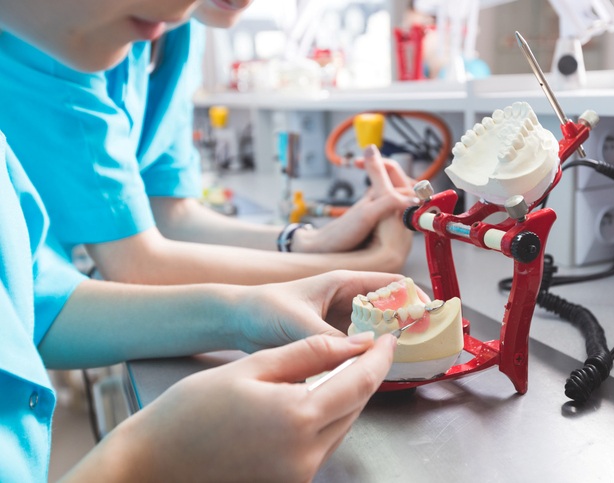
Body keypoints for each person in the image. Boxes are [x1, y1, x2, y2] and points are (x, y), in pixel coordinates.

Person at [0, 1, 402, 480]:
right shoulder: (60, 48)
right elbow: (135, 260)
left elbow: (38, 304)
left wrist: (242, 313)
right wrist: (142, 463)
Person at [0, 0, 416, 287]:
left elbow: (170, 215)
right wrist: (366, 267)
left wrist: (305, 242)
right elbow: (134, 263)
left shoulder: (178, 33)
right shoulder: (70, 39)